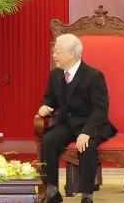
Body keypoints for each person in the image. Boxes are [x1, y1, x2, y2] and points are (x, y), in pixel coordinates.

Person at [37, 33, 117, 203]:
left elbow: (100, 109)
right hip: (67, 124)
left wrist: (87, 132)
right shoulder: (55, 75)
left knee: (86, 145)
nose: (54, 55)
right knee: (48, 141)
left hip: (93, 123)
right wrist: (45, 106)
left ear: (71, 53)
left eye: (57, 52)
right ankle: (52, 191)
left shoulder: (94, 76)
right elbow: (49, 97)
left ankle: (87, 195)